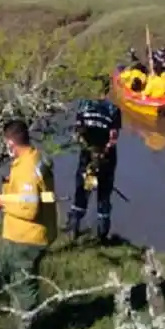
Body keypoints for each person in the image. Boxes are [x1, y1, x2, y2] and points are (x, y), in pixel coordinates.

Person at [0, 120, 57, 329]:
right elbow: (44, 196)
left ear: (11, 143)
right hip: (22, 234)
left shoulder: (26, 169)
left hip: (27, 238)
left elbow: (29, 208)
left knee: (23, 287)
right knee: (6, 273)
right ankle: (20, 320)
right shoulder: (38, 158)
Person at [65, 78, 122, 242]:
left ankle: (74, 226)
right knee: (104, 195)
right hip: (106, 162)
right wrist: (102, 154)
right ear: (107, 90)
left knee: (85, 190)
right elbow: (113, 138)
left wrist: (91, 152)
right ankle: (102, 235)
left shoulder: (83, 106)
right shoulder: (113, 110)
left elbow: (77, 134)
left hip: (88, 161)